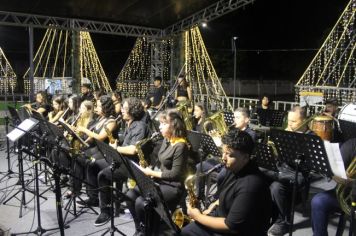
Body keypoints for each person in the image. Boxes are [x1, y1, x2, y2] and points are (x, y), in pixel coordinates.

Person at [181, 129, 272, 236]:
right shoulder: (234, 168)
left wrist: (197, 216)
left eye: (229, 155)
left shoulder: (250, 185)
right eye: (223, 152)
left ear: (246, 157)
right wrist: (214, 205)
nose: (223, 158)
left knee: (187, 231)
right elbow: (231, 195)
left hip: (238, 231)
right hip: (225, 216)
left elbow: (230, 226)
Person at [87, 97, 150, 226]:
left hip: (133, 165)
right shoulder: (129, 124)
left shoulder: (139, 126)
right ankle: (94, 198)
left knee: (103, 175)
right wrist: (116, 145)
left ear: (132, 110)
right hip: (122, 160)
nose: (121, 110)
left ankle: (106, 211)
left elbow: (133, 150)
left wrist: (116, 148)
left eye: (124, 108)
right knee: (93, 165)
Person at [126, 110, 188, 235]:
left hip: (173, 186)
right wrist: (150, 168)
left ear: (174, 125)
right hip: (161, 180)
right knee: (130, 195)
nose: (159, 126)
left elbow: (175, 175)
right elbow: (161, 163)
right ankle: (140, 229)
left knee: (141, 203)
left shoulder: (181, 145)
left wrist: (151, 173)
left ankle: (149, 231)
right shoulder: (167, 139)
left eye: (163, 123)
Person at [195, 107, 256, 203]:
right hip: (222, 159)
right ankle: (199, 196)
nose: (234, 120)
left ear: (247, 120)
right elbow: (222, 149)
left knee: (222, 176)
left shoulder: (251, 134)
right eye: (234, 117)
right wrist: (216, 140)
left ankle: (219, 198)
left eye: (238, 117)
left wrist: (222, 144)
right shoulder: (232, 130)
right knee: (199, 166)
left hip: (235, 163)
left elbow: (238, 151)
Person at [268, 106, 312, 236]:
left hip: (298, 173)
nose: (289, 124)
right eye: (289, 121)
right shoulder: (287, 132)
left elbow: (309, 166)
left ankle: (284, 222)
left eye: (293, 121)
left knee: (276, 187)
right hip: (282, 168)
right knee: (259, 173)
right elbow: (278, 157)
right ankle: (267, 214)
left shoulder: (312, 137)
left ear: (305, 121)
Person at [311, 138, 356, 236]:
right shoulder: (352, 144)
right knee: (318, 201)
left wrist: (353, 183)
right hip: (346, 194)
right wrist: (337, 175)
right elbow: (336, 170)